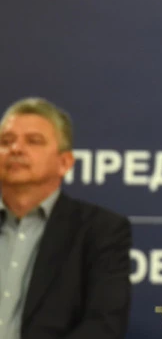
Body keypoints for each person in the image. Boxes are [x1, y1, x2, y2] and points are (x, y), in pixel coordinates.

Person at [0, 97, 132, 339]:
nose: (15, 149)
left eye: (33, 141)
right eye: (6, 141)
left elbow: (104, 326)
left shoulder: (100, 230)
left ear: (65, 162)